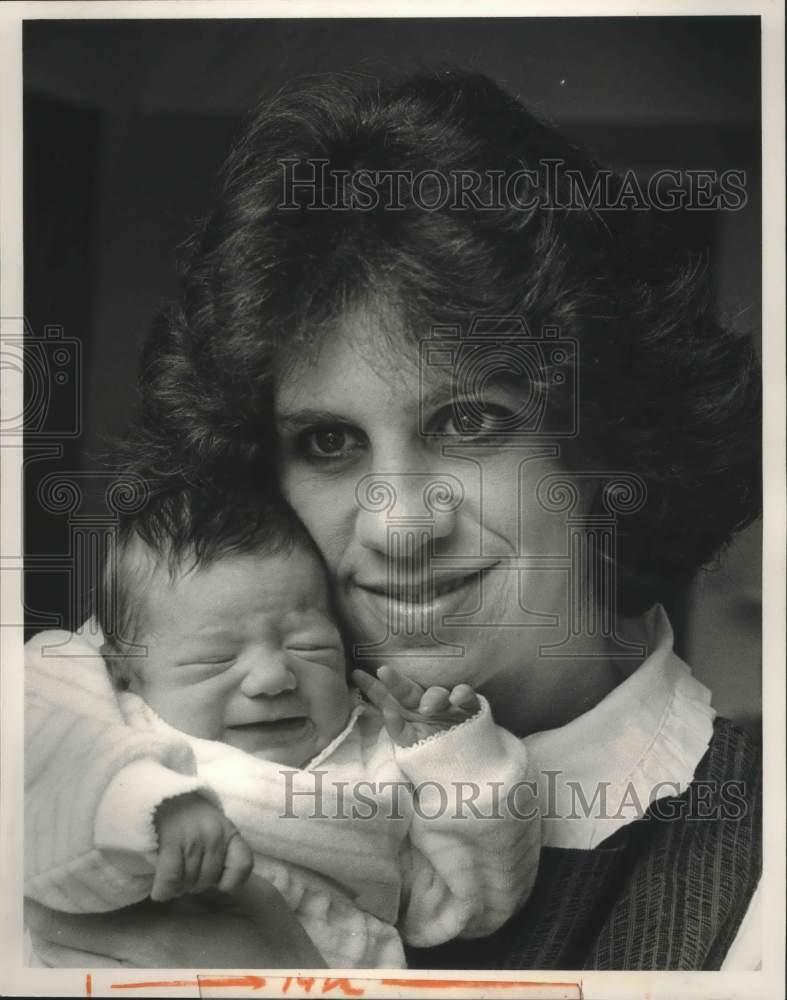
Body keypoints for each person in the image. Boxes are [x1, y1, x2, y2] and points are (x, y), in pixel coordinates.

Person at [25, 68, 762, 971]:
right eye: (329, 442)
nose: (399, 527)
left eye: (469, 422)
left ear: (607, 447)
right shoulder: (117, 710)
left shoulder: (756, 864)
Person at [25, 481, 540, 967]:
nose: (273, 678)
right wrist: (145, 801)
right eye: (215, 659)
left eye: (309, 647)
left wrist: (455, 760)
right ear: (123, 671)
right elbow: (35, 756)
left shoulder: (380, 760)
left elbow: (468, 907)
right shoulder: (108, 714)